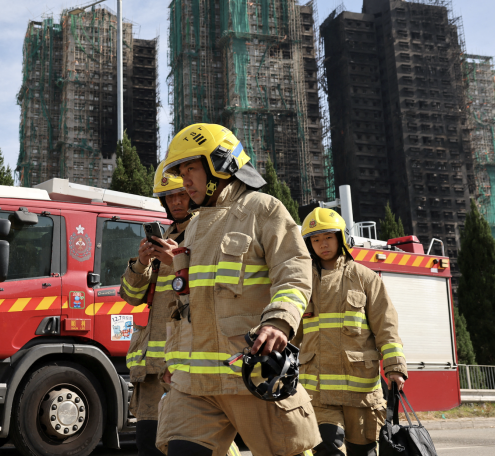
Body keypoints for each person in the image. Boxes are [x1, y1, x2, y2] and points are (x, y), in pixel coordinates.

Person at [155, 123, 320, 456]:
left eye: (191, 168)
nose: (185, 180)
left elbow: (294, 270)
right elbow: (191, 302)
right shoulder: (197, 222)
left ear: (221, 163)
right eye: (181, 171)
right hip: (195, 386)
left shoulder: (263, 209)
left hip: (251, 374)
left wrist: (278, 322)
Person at [119, 162, 242, 456]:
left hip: (190, 363)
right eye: (168, 197)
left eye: (181, 195)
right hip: (153, 368)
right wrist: (143, 263)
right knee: (148, 444)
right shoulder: (164, 239)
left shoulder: (209, 234)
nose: (176, 202)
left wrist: (181, 261)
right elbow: (132, 296)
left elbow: (215, 292)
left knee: (202, 445)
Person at [298, 208, 407, 456]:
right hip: (318, 392)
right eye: (315, 239)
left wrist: (395, 367)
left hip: (360, 392)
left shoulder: (366, 279)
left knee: (364, 452)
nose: (322, 244)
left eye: (327, 237)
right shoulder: (302, 283)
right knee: (328, 448)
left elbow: (386, 327)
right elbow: (290, 331)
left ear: (340, 238)